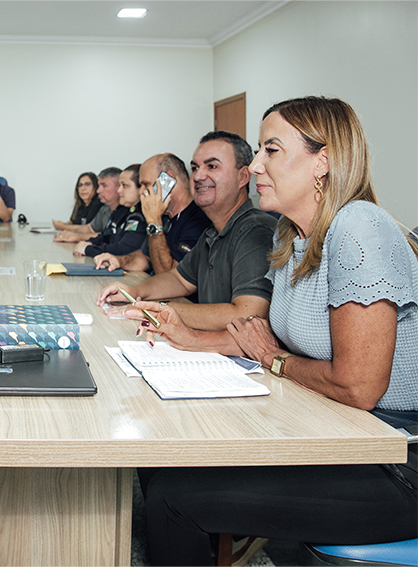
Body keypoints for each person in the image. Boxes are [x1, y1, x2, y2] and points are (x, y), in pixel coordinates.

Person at [137, 96, 418, 566]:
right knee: (163, 457)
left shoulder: (359, 226)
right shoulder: (293, 235)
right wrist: (190, 337)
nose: (256, 166)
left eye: (271, 150)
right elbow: (264, 338)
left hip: (398, 458)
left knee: (173, 497)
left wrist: (275, 362)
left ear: (322, 162)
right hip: (341, 432)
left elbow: (358, 385)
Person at [97, 132, 277, 331]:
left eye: (212, 166)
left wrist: (158, 310)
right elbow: (178, 279)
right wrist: (134, 292)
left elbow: (246, 315)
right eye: (195, 168)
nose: (198, 176)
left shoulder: (255, 230)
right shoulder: (212, 232)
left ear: (243, 177)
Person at [93, 153, 210, 275]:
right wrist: (119, 261)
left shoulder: (200, 219)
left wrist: (154, 222)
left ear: (168, 180)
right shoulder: (165, 215)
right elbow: (146, 257)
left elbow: (167, 275)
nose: (141, 192)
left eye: (146, 184)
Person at [72, 164, 147, 257]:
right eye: (120, 185)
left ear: (141, 189)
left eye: (124, 186)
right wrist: (88, 243)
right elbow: (106, 236)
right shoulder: (121, 210)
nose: (119, 190)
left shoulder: (139, 216)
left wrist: (88, 249)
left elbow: (125, 249)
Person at [53, 167, 121, 241]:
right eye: (80, 185)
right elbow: (89, 228)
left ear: (119, 188)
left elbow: (110, 237)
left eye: (104, 186)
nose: (98, 191)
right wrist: (68, 233)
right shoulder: (105, 209)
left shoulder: (125, 211)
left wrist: (77, 236)